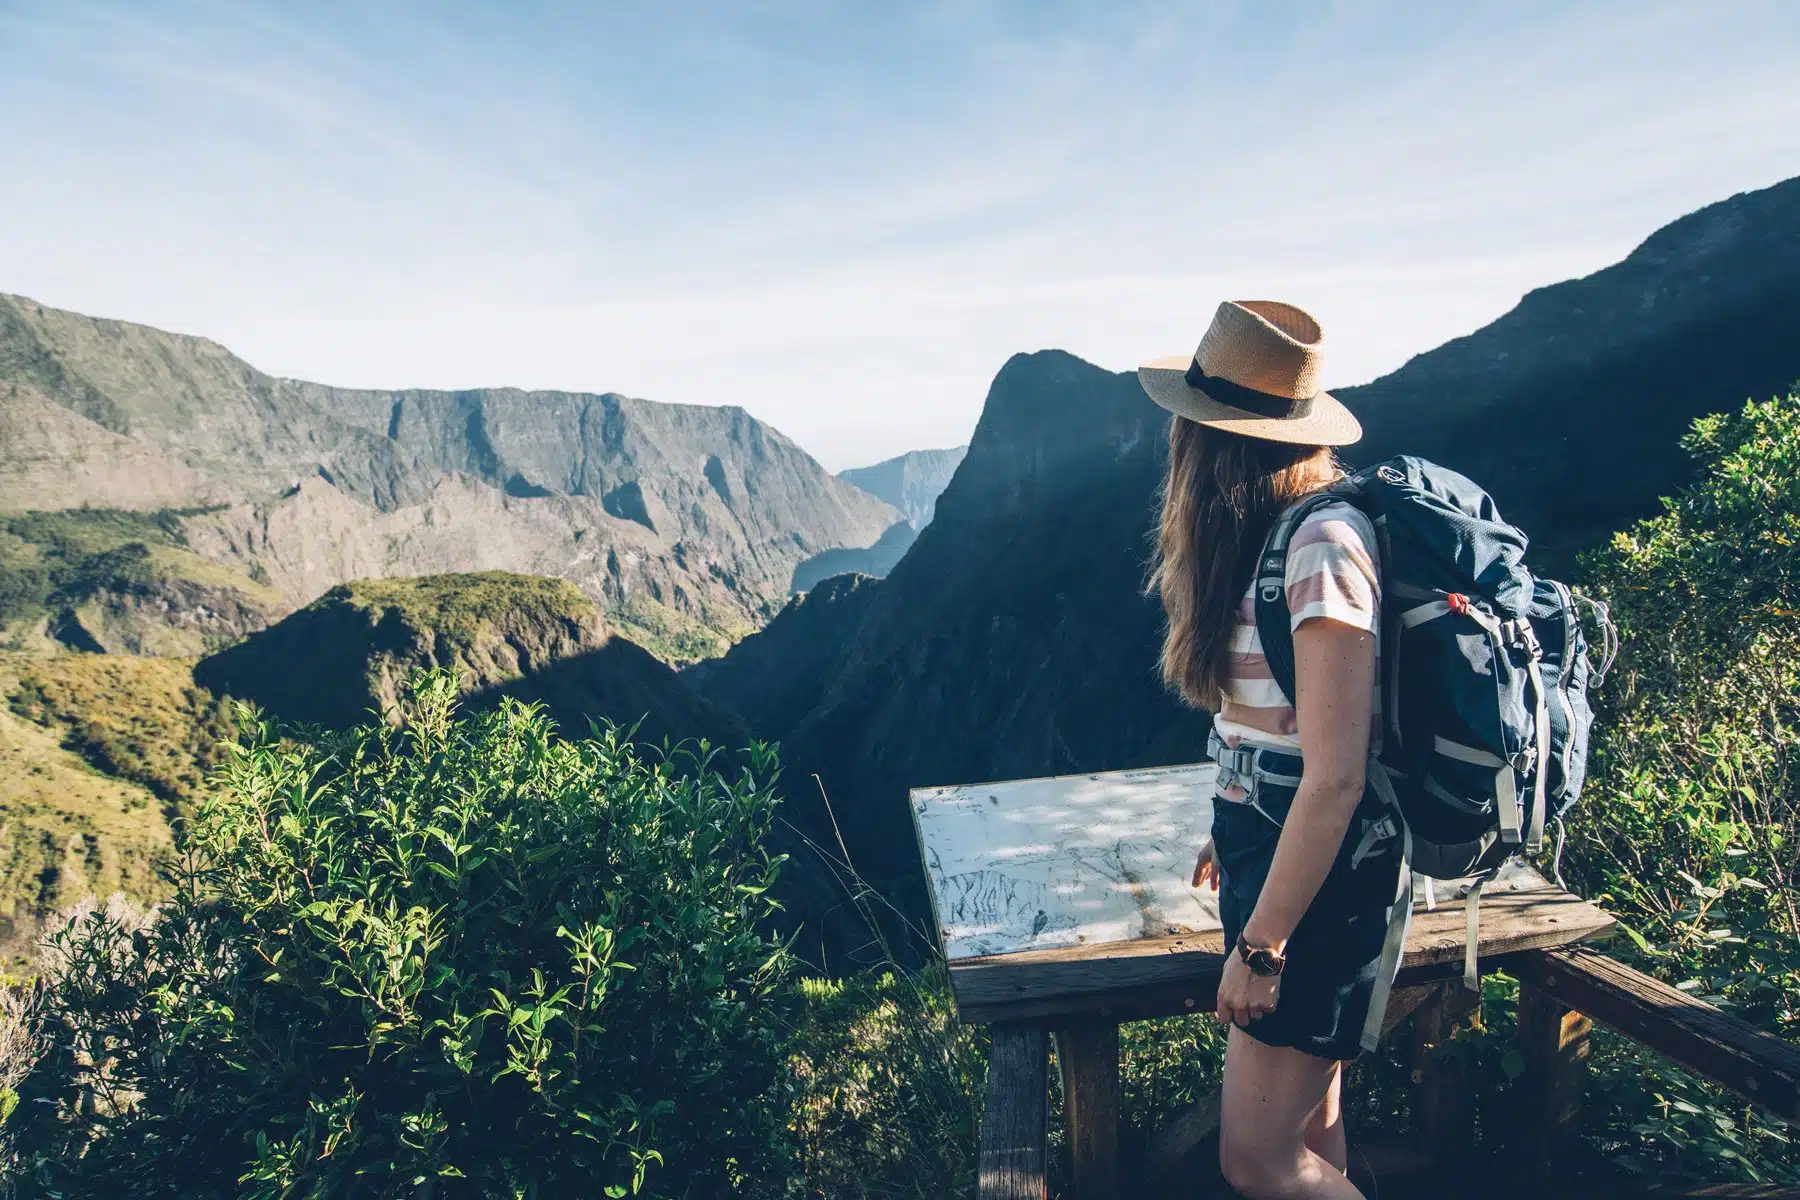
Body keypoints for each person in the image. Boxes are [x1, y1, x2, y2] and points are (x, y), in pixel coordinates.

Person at [1141, 300, 1399, 1199]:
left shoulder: (1322, 545)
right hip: (1277, 853)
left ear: (1210, 442)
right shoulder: (1276, 540)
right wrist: (1237, 816)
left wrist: (1262, 947)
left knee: (1255, 1160)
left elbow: (1334, 778)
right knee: (1310, 1131)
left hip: (1317, 889)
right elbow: (1283, 736)